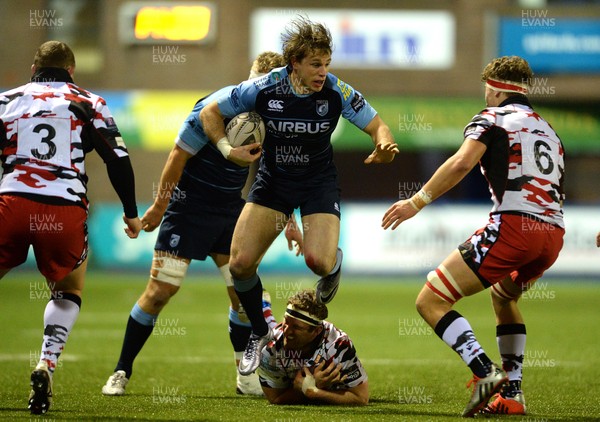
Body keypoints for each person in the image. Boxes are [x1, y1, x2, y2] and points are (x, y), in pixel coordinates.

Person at [200, 16, 399, 376]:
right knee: (241, 264)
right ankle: (260, 333)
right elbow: (210, 111)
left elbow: (376, 123)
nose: (323, 72)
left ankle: (333, 265)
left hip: (318, 182)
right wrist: (227, 149)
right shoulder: (264, 88)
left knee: (318, 264)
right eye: (315, 64)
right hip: (273, 182)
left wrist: (383, 143)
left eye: (326, 64)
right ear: (295, 63)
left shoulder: (337, 91)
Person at [101, 52, 303, 397]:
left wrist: (289, 219)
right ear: (250, 82)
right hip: (188, 210)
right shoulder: (213, 109)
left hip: (230, 213)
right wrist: (160, 207)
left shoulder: (274, 117)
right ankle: (121, 371)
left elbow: (277, 173)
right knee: (161, 291)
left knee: (243, 297)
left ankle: (245, 378)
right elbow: (177, 156)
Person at [382, 56, 565, 417]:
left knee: (430, 300)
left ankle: (485, 371)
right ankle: (512, 395)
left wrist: (417, 202)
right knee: (503, 298)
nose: (485, 97)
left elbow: (462, 163)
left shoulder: (491, 118)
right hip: (553, 234)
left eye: (487, 90)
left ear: (496, 89)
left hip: (514, 227)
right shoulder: (548, 129)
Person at [0, 41, 142, 415]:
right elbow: (118, 159)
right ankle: (46, 362)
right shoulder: (88, 101)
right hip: (64, 210)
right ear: (72, 70)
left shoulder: (7, 99)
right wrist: (130, 211)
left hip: (11, 203)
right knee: (68, 289)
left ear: (34, 68)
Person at [257, 289, 368, 405]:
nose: (287, 331)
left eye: (297, 327)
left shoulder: (338, 347)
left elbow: (361, 398)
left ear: (316, 331)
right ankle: (266, 314)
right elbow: (275, 399)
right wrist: (306, 388)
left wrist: (315, 392)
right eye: (286, 321)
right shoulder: (270, 349)